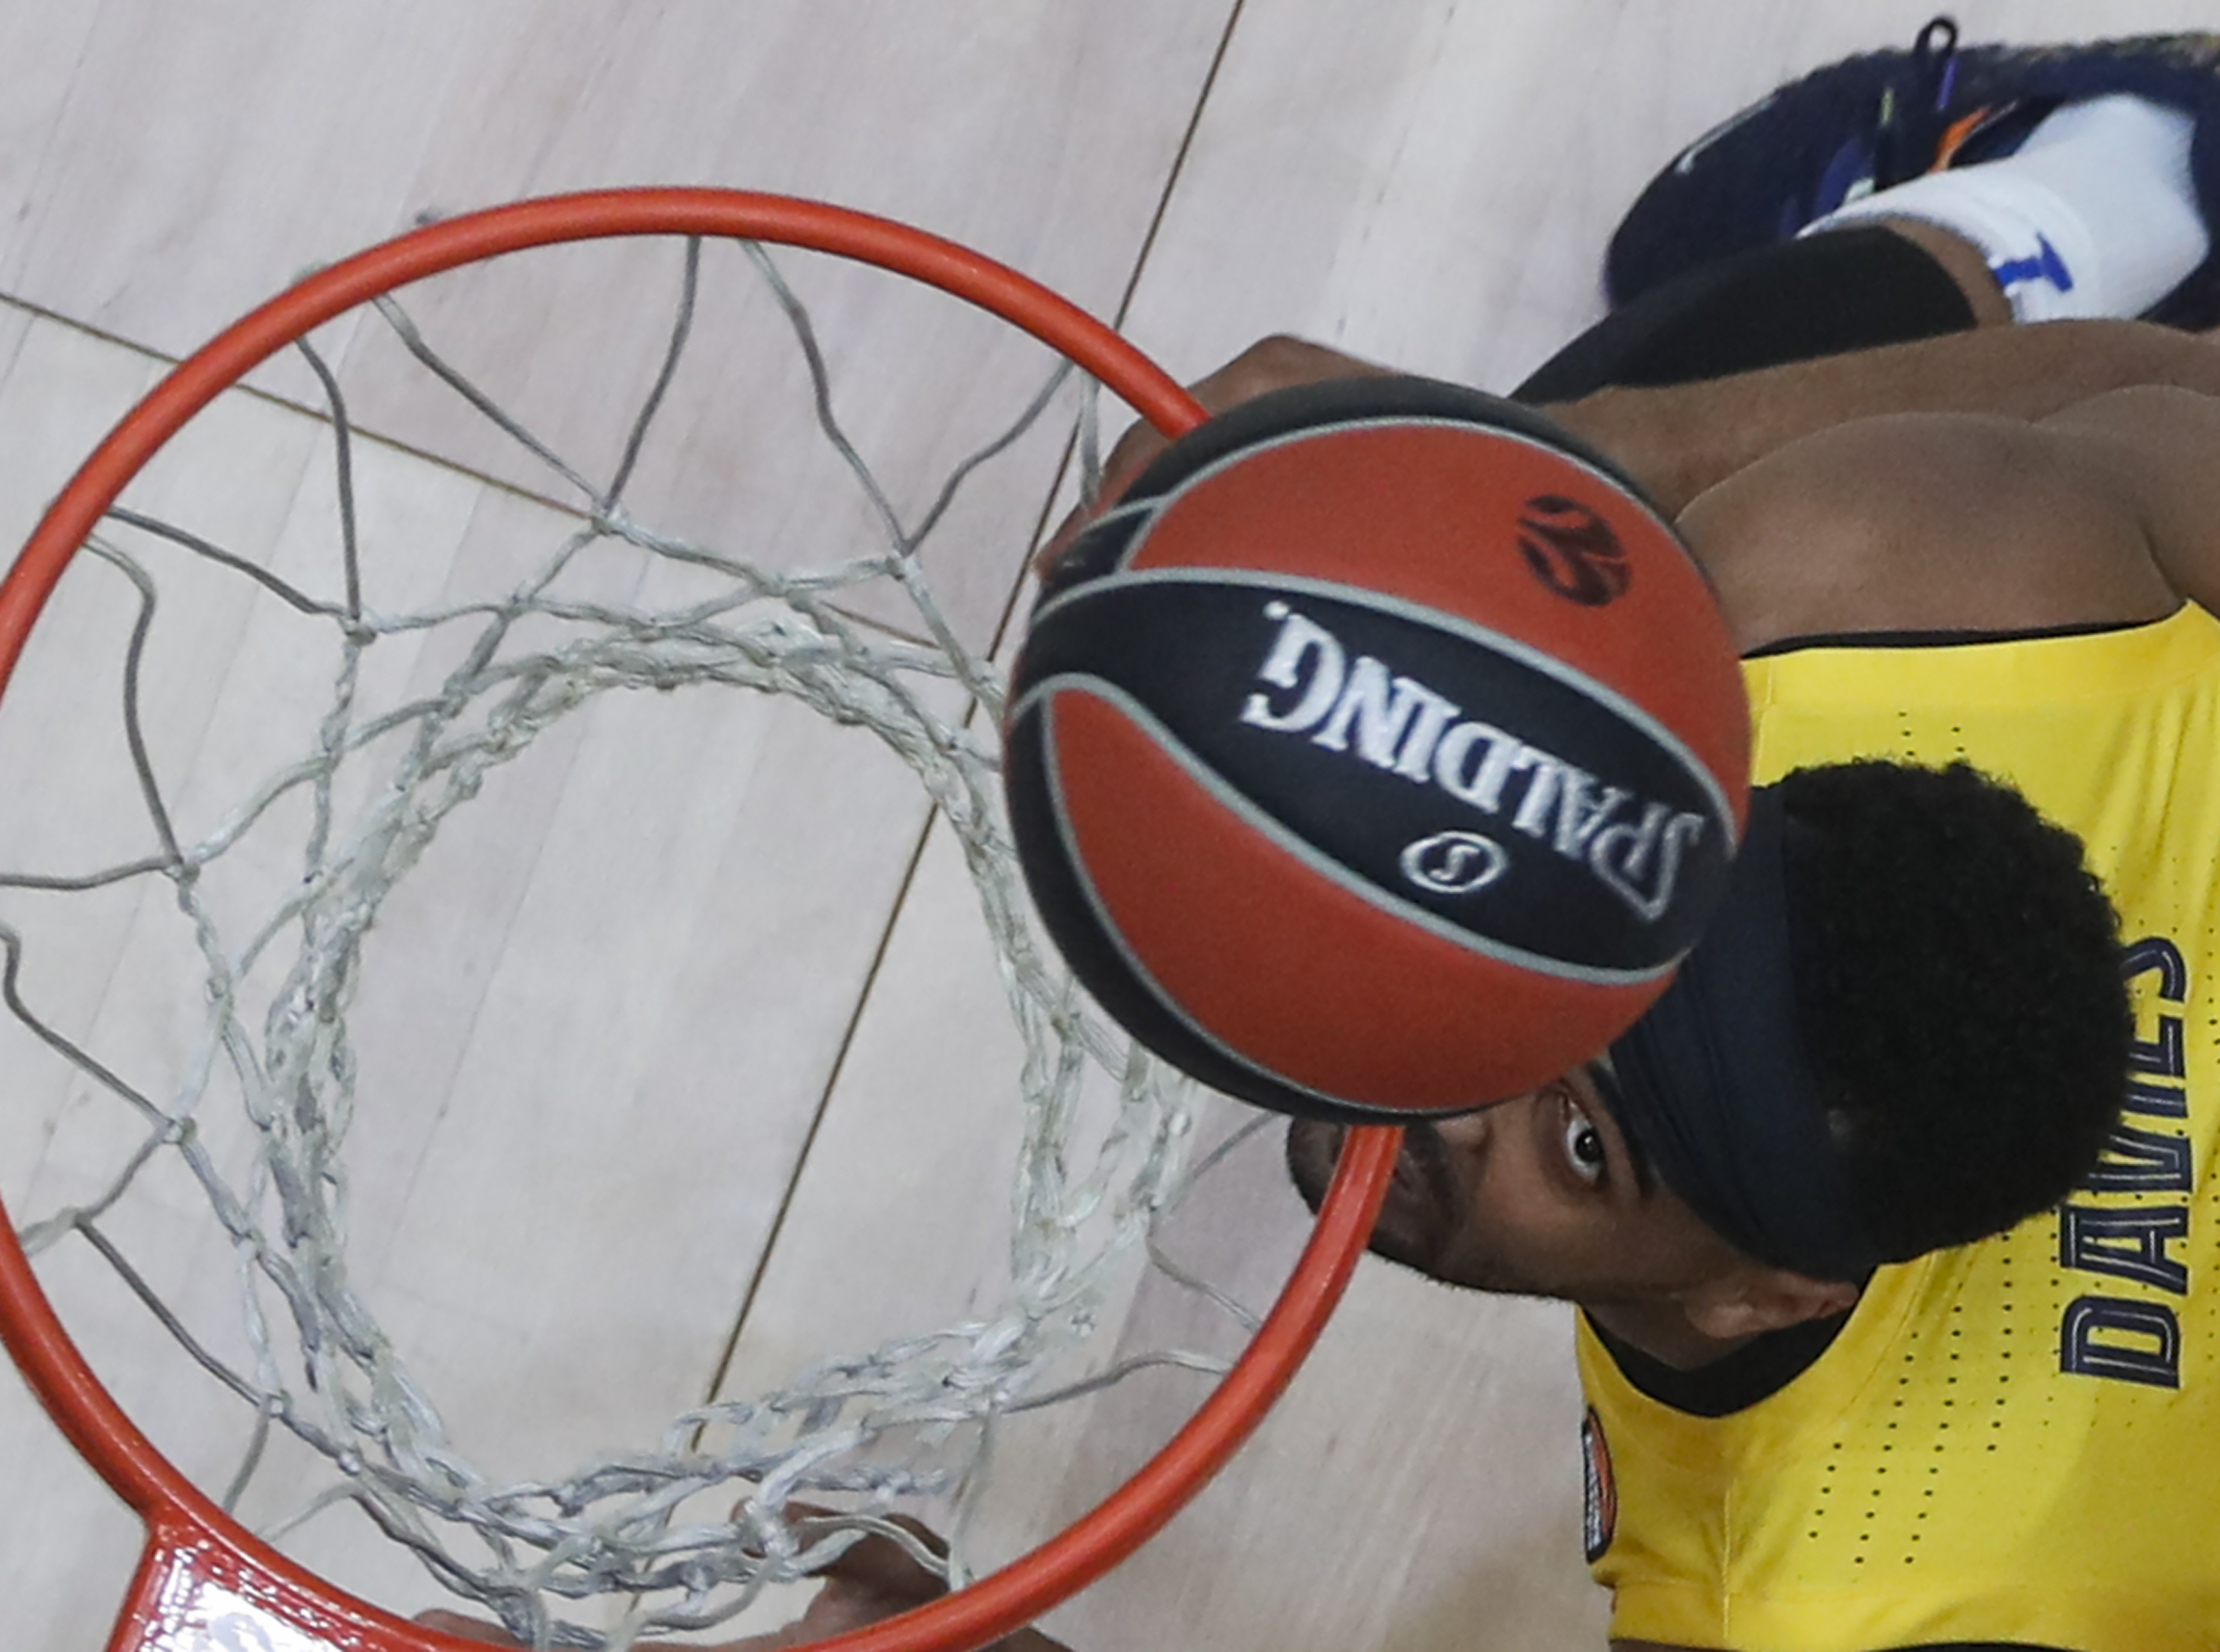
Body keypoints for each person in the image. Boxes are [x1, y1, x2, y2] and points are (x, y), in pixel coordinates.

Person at [426, 25, 2220, 1652]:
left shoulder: (1851, 1599)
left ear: (1773, 1292)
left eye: (1581, 1143)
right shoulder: (1902, 596)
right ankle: (2112, 171)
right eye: (1554, 964)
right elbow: (2166, 406)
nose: (1450, 1084)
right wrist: (1529, 463)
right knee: (1578, 520)